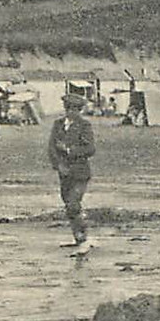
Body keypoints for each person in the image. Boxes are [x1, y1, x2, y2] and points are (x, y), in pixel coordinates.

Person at [47, 93, 97, 254]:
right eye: (69, 109)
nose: (71, 112)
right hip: (64, 173)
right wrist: (58, 165)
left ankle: (83, 238)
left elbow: (90, 149)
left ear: (80, 110)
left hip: (80, 172)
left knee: (73, 204)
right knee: (69, 206)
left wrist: (69, 150)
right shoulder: (58, 124)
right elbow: (51, 148)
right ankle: (78, 237)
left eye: (75, 109)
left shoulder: (84, 126)